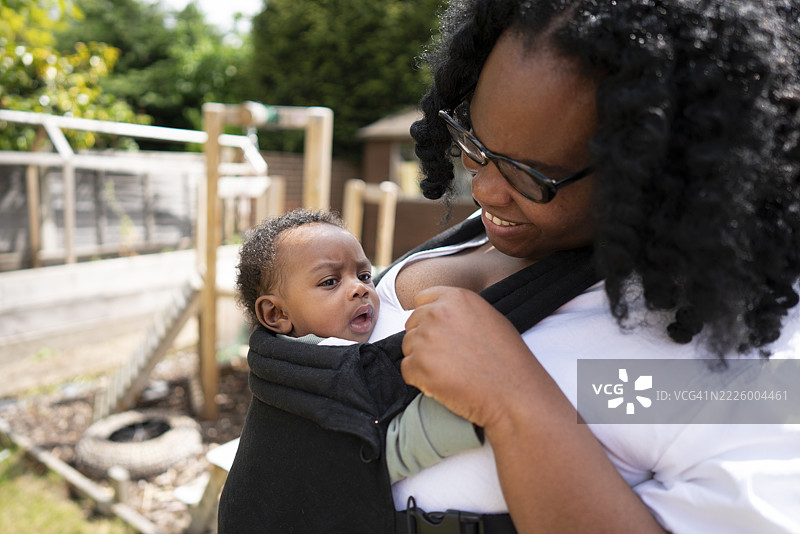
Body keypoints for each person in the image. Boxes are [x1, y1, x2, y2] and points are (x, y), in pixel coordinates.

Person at [219, 1, 800, 532]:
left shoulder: (745, 364)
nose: (485, 190)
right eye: (475, 142)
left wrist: (515, 401)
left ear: (665, 171)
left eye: (532, 174)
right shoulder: (503, 231)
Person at [234, 208, 484, 483]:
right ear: (276, 314)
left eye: (365, 275)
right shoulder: (312, 370)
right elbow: (380, 447)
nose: (360, 288)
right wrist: (477, 415)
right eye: (330, 282)